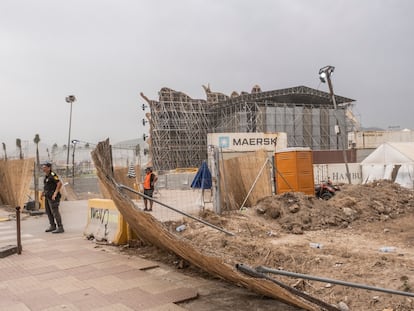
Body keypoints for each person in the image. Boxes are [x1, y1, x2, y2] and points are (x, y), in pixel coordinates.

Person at [41, 162, 64, 233]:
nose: (43, 168)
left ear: (49, 168)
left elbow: (59, 183)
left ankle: (60, 227)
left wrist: (55, 193)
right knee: (48, 211)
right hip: (47, 196)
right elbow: (46, 186)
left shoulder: (53, 174)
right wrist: (42, 193)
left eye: (44, 167)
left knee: (55, 212)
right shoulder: (46, 176)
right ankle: (52, 226)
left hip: (53, 197)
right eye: (43, 167)